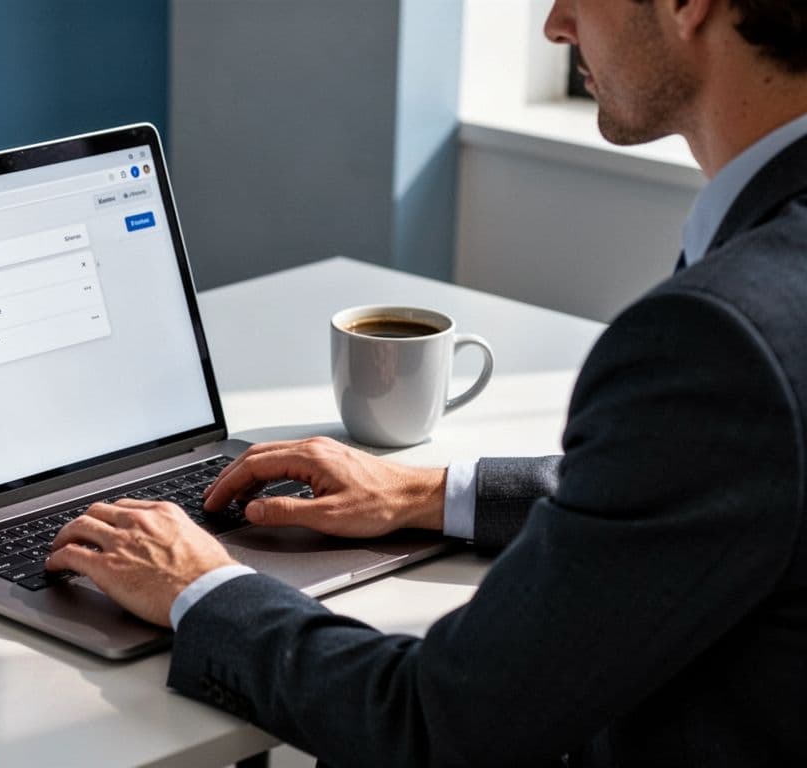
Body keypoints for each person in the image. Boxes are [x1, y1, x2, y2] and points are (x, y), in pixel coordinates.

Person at [46, 0, 807, 764]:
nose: (555, 24)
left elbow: (437, 725)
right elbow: (712, 490)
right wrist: (423, 494)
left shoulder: (721, 337)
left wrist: (201, 587)